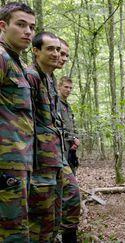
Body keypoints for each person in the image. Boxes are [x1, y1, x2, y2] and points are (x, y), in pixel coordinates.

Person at [0, 3, 35, 242]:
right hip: (5, 163)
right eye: (20, 25)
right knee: (12, 234)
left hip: (18, 161)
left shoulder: (16, 63)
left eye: (31, 27)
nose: (28, 32)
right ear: (3, 26)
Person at [26, 31, 63, 242]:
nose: (56, 54)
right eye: (50, 49)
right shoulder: (30, 77)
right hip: (37, 163)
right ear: (35, 51)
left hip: (53, 160)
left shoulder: (49, 79)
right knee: (38, 220)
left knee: (52, 218)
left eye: (58, 49)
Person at [56, 37, 81, 243]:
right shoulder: (54, 99)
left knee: (70, 193)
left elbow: (70, 127)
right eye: (66, 87)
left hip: (67, 152)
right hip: (54, 154)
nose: (68, 90)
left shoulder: (66, 106)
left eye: (71, 88)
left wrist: (75, 139)